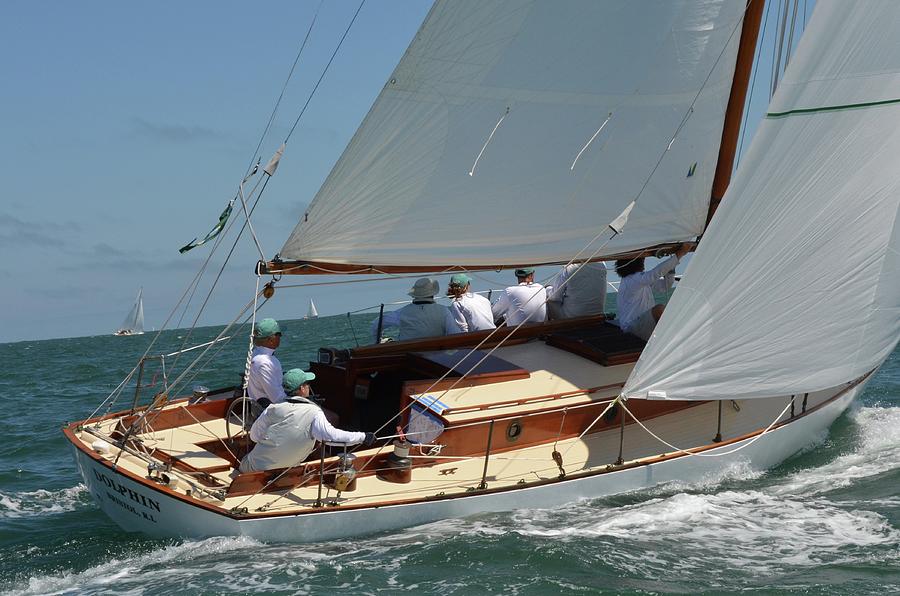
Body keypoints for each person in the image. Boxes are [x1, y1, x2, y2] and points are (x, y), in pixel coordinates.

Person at [239, 368, 375, 473]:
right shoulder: (314, 412)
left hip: (255, 469)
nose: (309, 387)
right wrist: (363, 437)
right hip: (286, 470)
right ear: (302, 389)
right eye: (307, 384)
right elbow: (331, 438)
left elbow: (254, 437)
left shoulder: (272, 409)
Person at [615, 244, 689, 341]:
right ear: (635, 262)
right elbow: (654, 274)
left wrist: (671, 267)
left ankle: (674, 339)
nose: (644, 262)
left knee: (669, 309)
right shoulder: (632, 280)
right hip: (631, 329)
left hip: (640, 326)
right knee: (659, 309)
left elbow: (664, 286)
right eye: (642, 259)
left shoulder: (637, 280)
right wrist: (679, 254)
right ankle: (674, 341)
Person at [371, 277, 448, 343]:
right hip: (437, 355)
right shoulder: (444, 311)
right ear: (433, 294)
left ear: (415, 295)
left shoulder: (402, 312)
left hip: (409, 355)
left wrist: (378, 341)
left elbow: (377, 323)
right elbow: (455, 332)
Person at [247, 318, 287, 407]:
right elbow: (277, 398)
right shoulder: (265, 363)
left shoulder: (255, 353)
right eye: (278, 334)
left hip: (257, 405)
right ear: (271, 340)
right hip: (269, 410)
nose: (281, 337)